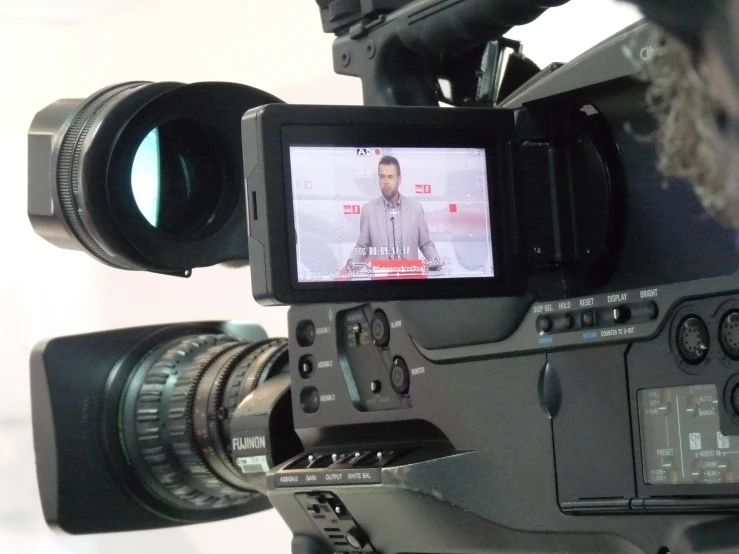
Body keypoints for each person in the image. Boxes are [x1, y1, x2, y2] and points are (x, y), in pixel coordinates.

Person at [347, 156, 440, 267]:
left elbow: (426, 244)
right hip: (381, 280)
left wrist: (435, 261)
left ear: (399, 180)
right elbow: (362, 247)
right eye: (382, 177)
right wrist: (352, 262)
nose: (386, 182)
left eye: (390, 177)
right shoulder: (368, 210)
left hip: (411, 279)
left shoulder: (415, 208)